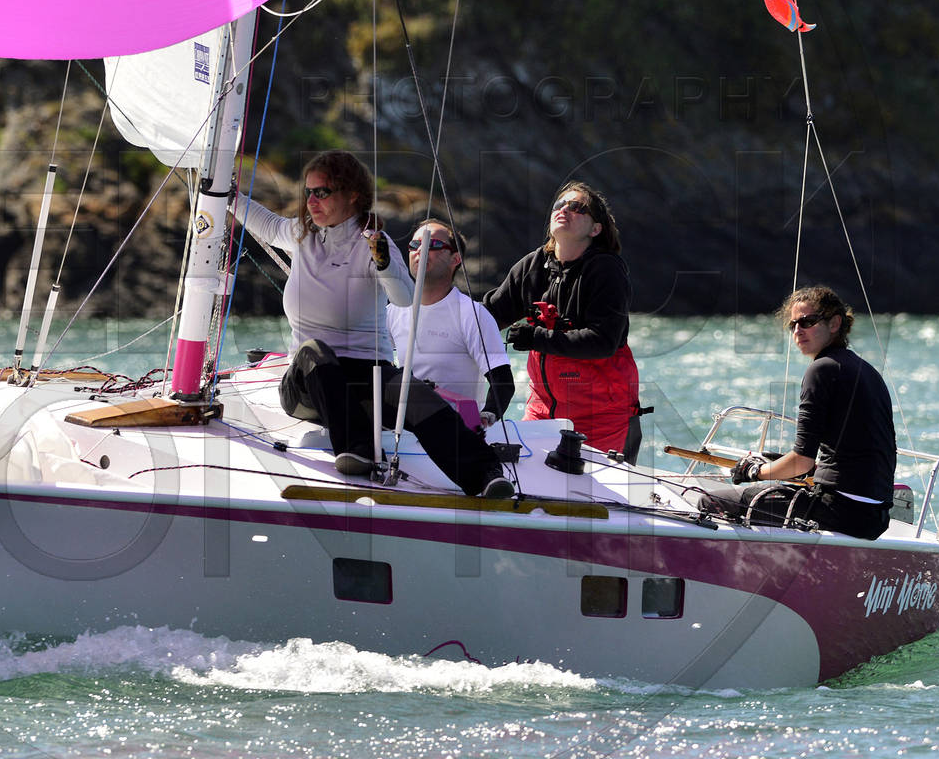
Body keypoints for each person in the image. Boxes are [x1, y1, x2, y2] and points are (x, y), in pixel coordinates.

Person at [233, 152, 511, 499]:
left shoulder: (375, 243)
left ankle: (483, 474)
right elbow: (266, 224)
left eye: (322, 192)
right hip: (307, 384)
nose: (311, 201)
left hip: (366, 374)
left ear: (352, 195)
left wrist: (383, 262)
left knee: (416, 395)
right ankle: (357, 447)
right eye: (309, 192)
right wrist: (228, 195)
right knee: (314, 351)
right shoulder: (302, 234)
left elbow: (404, 297)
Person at [699, 285, 897, 539]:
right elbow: (856, 452)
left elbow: (801, 460)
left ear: (835, 323)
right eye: (792, 325)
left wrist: (754, 472)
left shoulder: (822, 369)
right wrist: (802, 469)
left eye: (807, 322)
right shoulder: (866, 370)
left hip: (840, 509)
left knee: (709, 501)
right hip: (874, 515)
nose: (797, 331)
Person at [483, 180, 642, 460]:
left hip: (600, 419)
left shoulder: (606, 270)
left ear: (595, 229)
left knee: (595, 487)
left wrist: (537, 337)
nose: (565, 209)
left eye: (577, 207)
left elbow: (603, 341)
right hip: (541, 412)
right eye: (560, 204)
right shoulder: (533, 266)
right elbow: (487, 317)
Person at [386, 220, 514, 431]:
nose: (420, 250)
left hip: (456, 431)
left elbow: (502, 381)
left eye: (432, 244)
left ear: (456, 259)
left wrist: (488, 414)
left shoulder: (472, 315)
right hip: (405, 429)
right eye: (414, 245)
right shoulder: (394, 310)